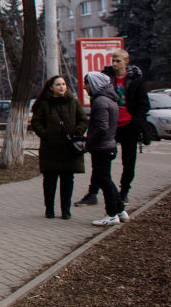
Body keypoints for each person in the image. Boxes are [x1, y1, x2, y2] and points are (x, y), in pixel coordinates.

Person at [76, 49, 150, 206]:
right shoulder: (106, 78)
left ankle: (124, 193)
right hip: (110, 125)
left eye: (118, 61)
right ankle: (93, 193)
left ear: (126, 61)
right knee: (100, 160)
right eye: (113, 60)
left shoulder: (135, 80)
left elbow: (144, 104)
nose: (115, 64)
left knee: (128, 162)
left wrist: (136, 122)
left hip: (128, 125)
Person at [30, 75, 88, 219]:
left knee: (67, 180)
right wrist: (46, 134)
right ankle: (49, 209)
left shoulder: (73, 102)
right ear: (51, 88)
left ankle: (66, 210)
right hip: (51, 148)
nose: (61, 87)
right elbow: (36, 122)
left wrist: (77, 132)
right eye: (58, 84)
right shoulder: (44, 104)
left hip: (69, 148)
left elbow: (83, 120)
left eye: (63, 84)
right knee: (50, 180)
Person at [81, 72, 129, 226]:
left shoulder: (100, 102)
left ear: (94, 84)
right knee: (105, 179)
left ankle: (111, 213)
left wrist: (88, 142)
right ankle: (120, 209)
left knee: (104, 180)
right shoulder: (110, 99)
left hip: (101, 147)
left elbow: (101, 127)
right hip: (108, 145)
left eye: (86, 84)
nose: (84, 87)